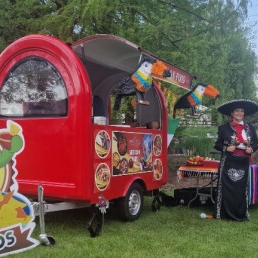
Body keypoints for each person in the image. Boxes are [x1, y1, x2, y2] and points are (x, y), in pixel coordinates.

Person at [214, 99, 258, 221]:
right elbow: (216, 144)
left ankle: (240, 213)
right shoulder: (223, 128)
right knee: (226, 187)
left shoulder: (250, 128)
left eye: (242, 111)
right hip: (228, 161)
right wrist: (227, 148)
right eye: (237, 111)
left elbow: (256, 142)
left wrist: (251, 149)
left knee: (241, 188)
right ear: (231, 113)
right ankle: (222, 214)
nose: (240, 113)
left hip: (243, 161)